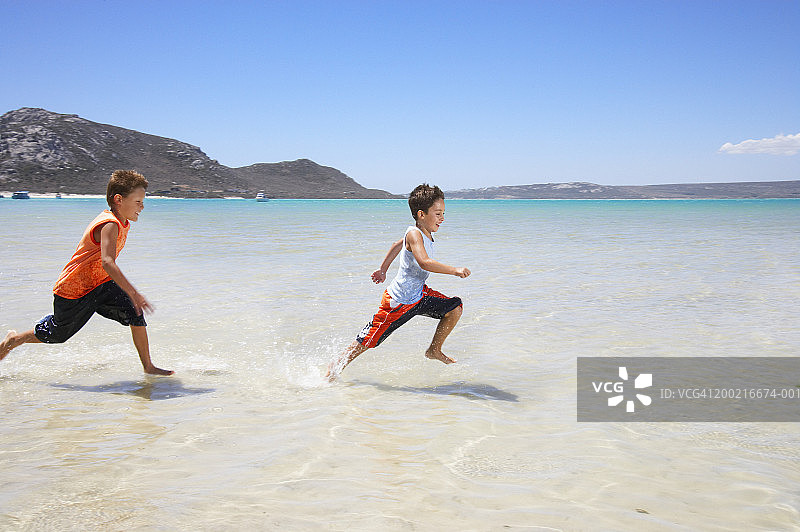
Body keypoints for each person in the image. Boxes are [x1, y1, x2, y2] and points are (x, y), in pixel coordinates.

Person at [0, 170, 173, 375]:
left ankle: (148, 367)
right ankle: (15, 340)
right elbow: (107, 262)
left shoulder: (121, 221)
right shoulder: (109, 223)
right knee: (57, 334)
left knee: (135, 313)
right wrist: (134, 293)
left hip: (100, 283)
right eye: (137, 202)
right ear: (119, 199)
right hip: (74, 290)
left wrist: (131, 297)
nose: (142, 207)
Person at [327, 184, 470, 380]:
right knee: (368, 340)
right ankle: (333, 369)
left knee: (454, 308)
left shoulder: (423, 234)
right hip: (398, 302)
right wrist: (454, 270)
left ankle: (434, 350)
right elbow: (424, 262)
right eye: (438, 214)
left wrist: (383, 269)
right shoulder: (414, 233)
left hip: (419, 295)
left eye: (443, 213)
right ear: (421, 214)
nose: (442, 218)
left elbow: (397, 245)